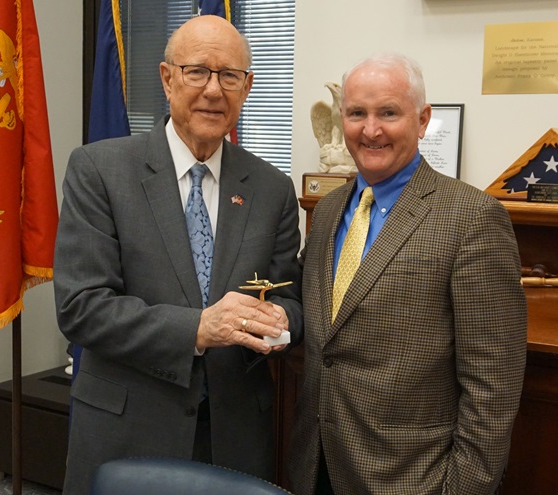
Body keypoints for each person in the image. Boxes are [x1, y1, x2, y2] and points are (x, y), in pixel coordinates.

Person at [53, 15, 303, 495]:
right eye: (197, 72)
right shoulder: (99, 171)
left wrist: (276, 321)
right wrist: (199, 329)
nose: (214, 90)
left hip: (233, 435)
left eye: (229, 76)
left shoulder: (272, 189)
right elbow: (81, 307)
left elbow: (290, 298)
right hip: (127, 430)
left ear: (246, 87)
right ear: (167, 78)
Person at [288, 53, 527, 495]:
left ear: (422, 120)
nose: (371, 129)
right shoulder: (326, 213)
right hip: (314, 465)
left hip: (412, 479)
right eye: (357, 113)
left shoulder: (472, 218)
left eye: (389, 113)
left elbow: (493, 386)